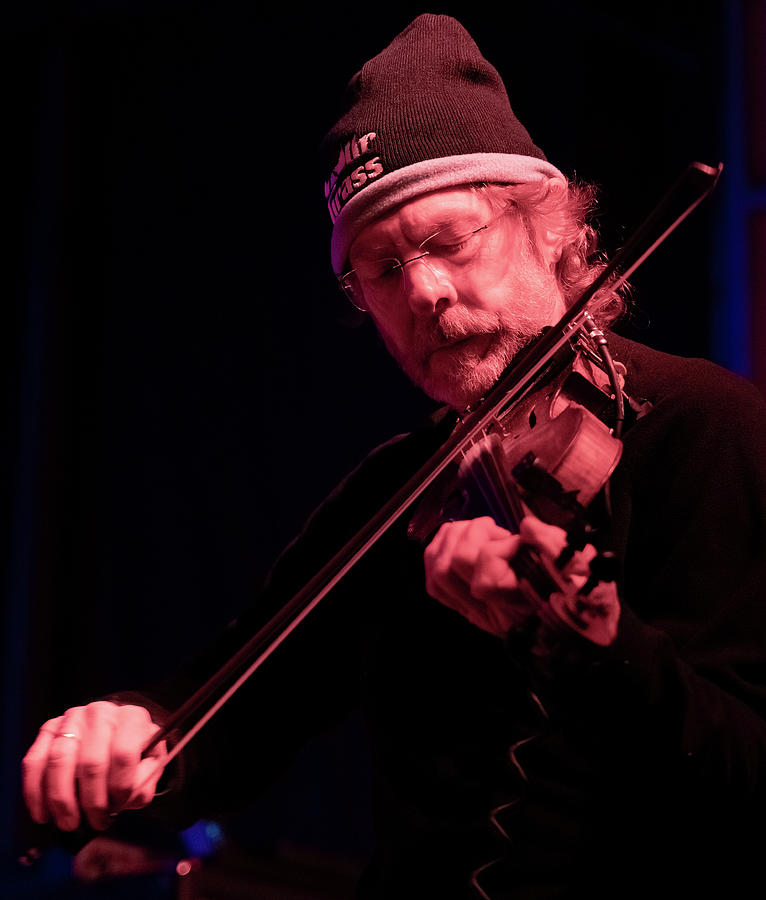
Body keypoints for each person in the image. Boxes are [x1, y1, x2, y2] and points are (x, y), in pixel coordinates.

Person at [21, 14, 766, 899]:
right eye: (380, 268)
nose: (423, 290)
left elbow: (745, 772)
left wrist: (587, 638)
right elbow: (228, 716)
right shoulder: (397, 492)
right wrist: (124, 736)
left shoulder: (706, 428)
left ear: (552, 228)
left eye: (449, 241)